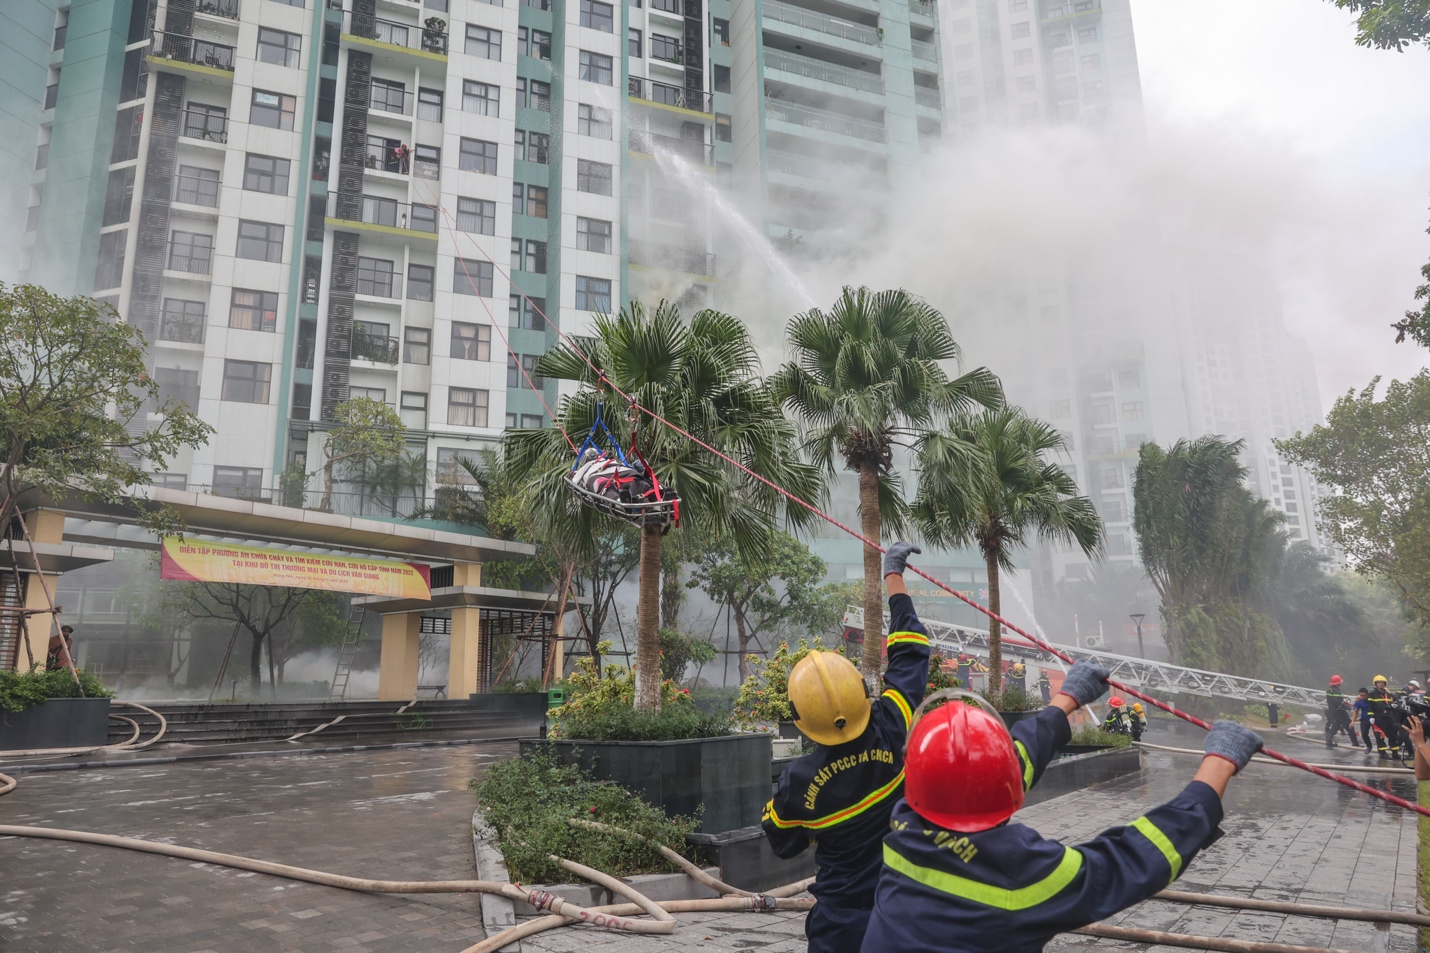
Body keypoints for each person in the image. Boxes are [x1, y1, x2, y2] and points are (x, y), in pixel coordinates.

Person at [860, 690, 1263, 953]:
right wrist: (1218, 766)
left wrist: (1066, 700)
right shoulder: (1019, 877)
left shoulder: (903, 825)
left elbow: (983, 772)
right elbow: (1131, 860)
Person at [761, 542, 929, 953]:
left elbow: (782, 841)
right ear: (861, 690)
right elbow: (911, 650)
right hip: (906, 911)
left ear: (801, 720)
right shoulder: (892, 724)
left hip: (840, 927)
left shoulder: (798, 783)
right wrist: (893, 574)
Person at [1367, 675, 1400, 759]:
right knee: (1380, 736)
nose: (1381, 684)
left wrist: (1394, 704)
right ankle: (1382, 753)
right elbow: (1370, 707)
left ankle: (1395, 753)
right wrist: (1371, 716)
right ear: (1376, 684)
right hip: (1379, 717)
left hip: (1389, 717)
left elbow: (1396, 700)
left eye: (1382, 683)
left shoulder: (1388, 694)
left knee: (1393, 735)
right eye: (1379, 683)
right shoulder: (1372, 694)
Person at [1324, 675, 1354, 749]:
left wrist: (1344, 702)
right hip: (1340, 712)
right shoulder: (1336, 690)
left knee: (1335, 726)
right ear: (1338, 683)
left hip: (1333, 712)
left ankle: (1329, 741)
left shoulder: (1330, 690)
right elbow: (1337, 701)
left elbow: (1333, 700)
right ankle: (1355, 743)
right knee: (1350, 727)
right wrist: (1347, 707)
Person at [1353, 688, 1374, 752]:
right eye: (1361, 695)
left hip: (1373, 718)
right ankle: (1369, 746)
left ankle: (1381, 748)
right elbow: (1356, 711)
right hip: (1364, 719)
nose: (1362, 697)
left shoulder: (1372, 699)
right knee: (1364, 733)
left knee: (1377, 734)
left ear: (1367, 694)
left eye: (1364, 695)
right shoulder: (1359, 701)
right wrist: (1353, 721)